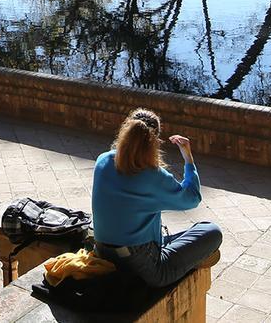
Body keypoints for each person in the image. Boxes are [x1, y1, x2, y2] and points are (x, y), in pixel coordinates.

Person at [91, 108, 222, 288]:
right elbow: (192, 198)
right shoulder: (154, 176)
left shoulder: (102, 161)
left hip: (103, 252)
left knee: (182, 234)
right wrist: (188, 159)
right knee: (211, 231)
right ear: (154, 143)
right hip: (143, 268)